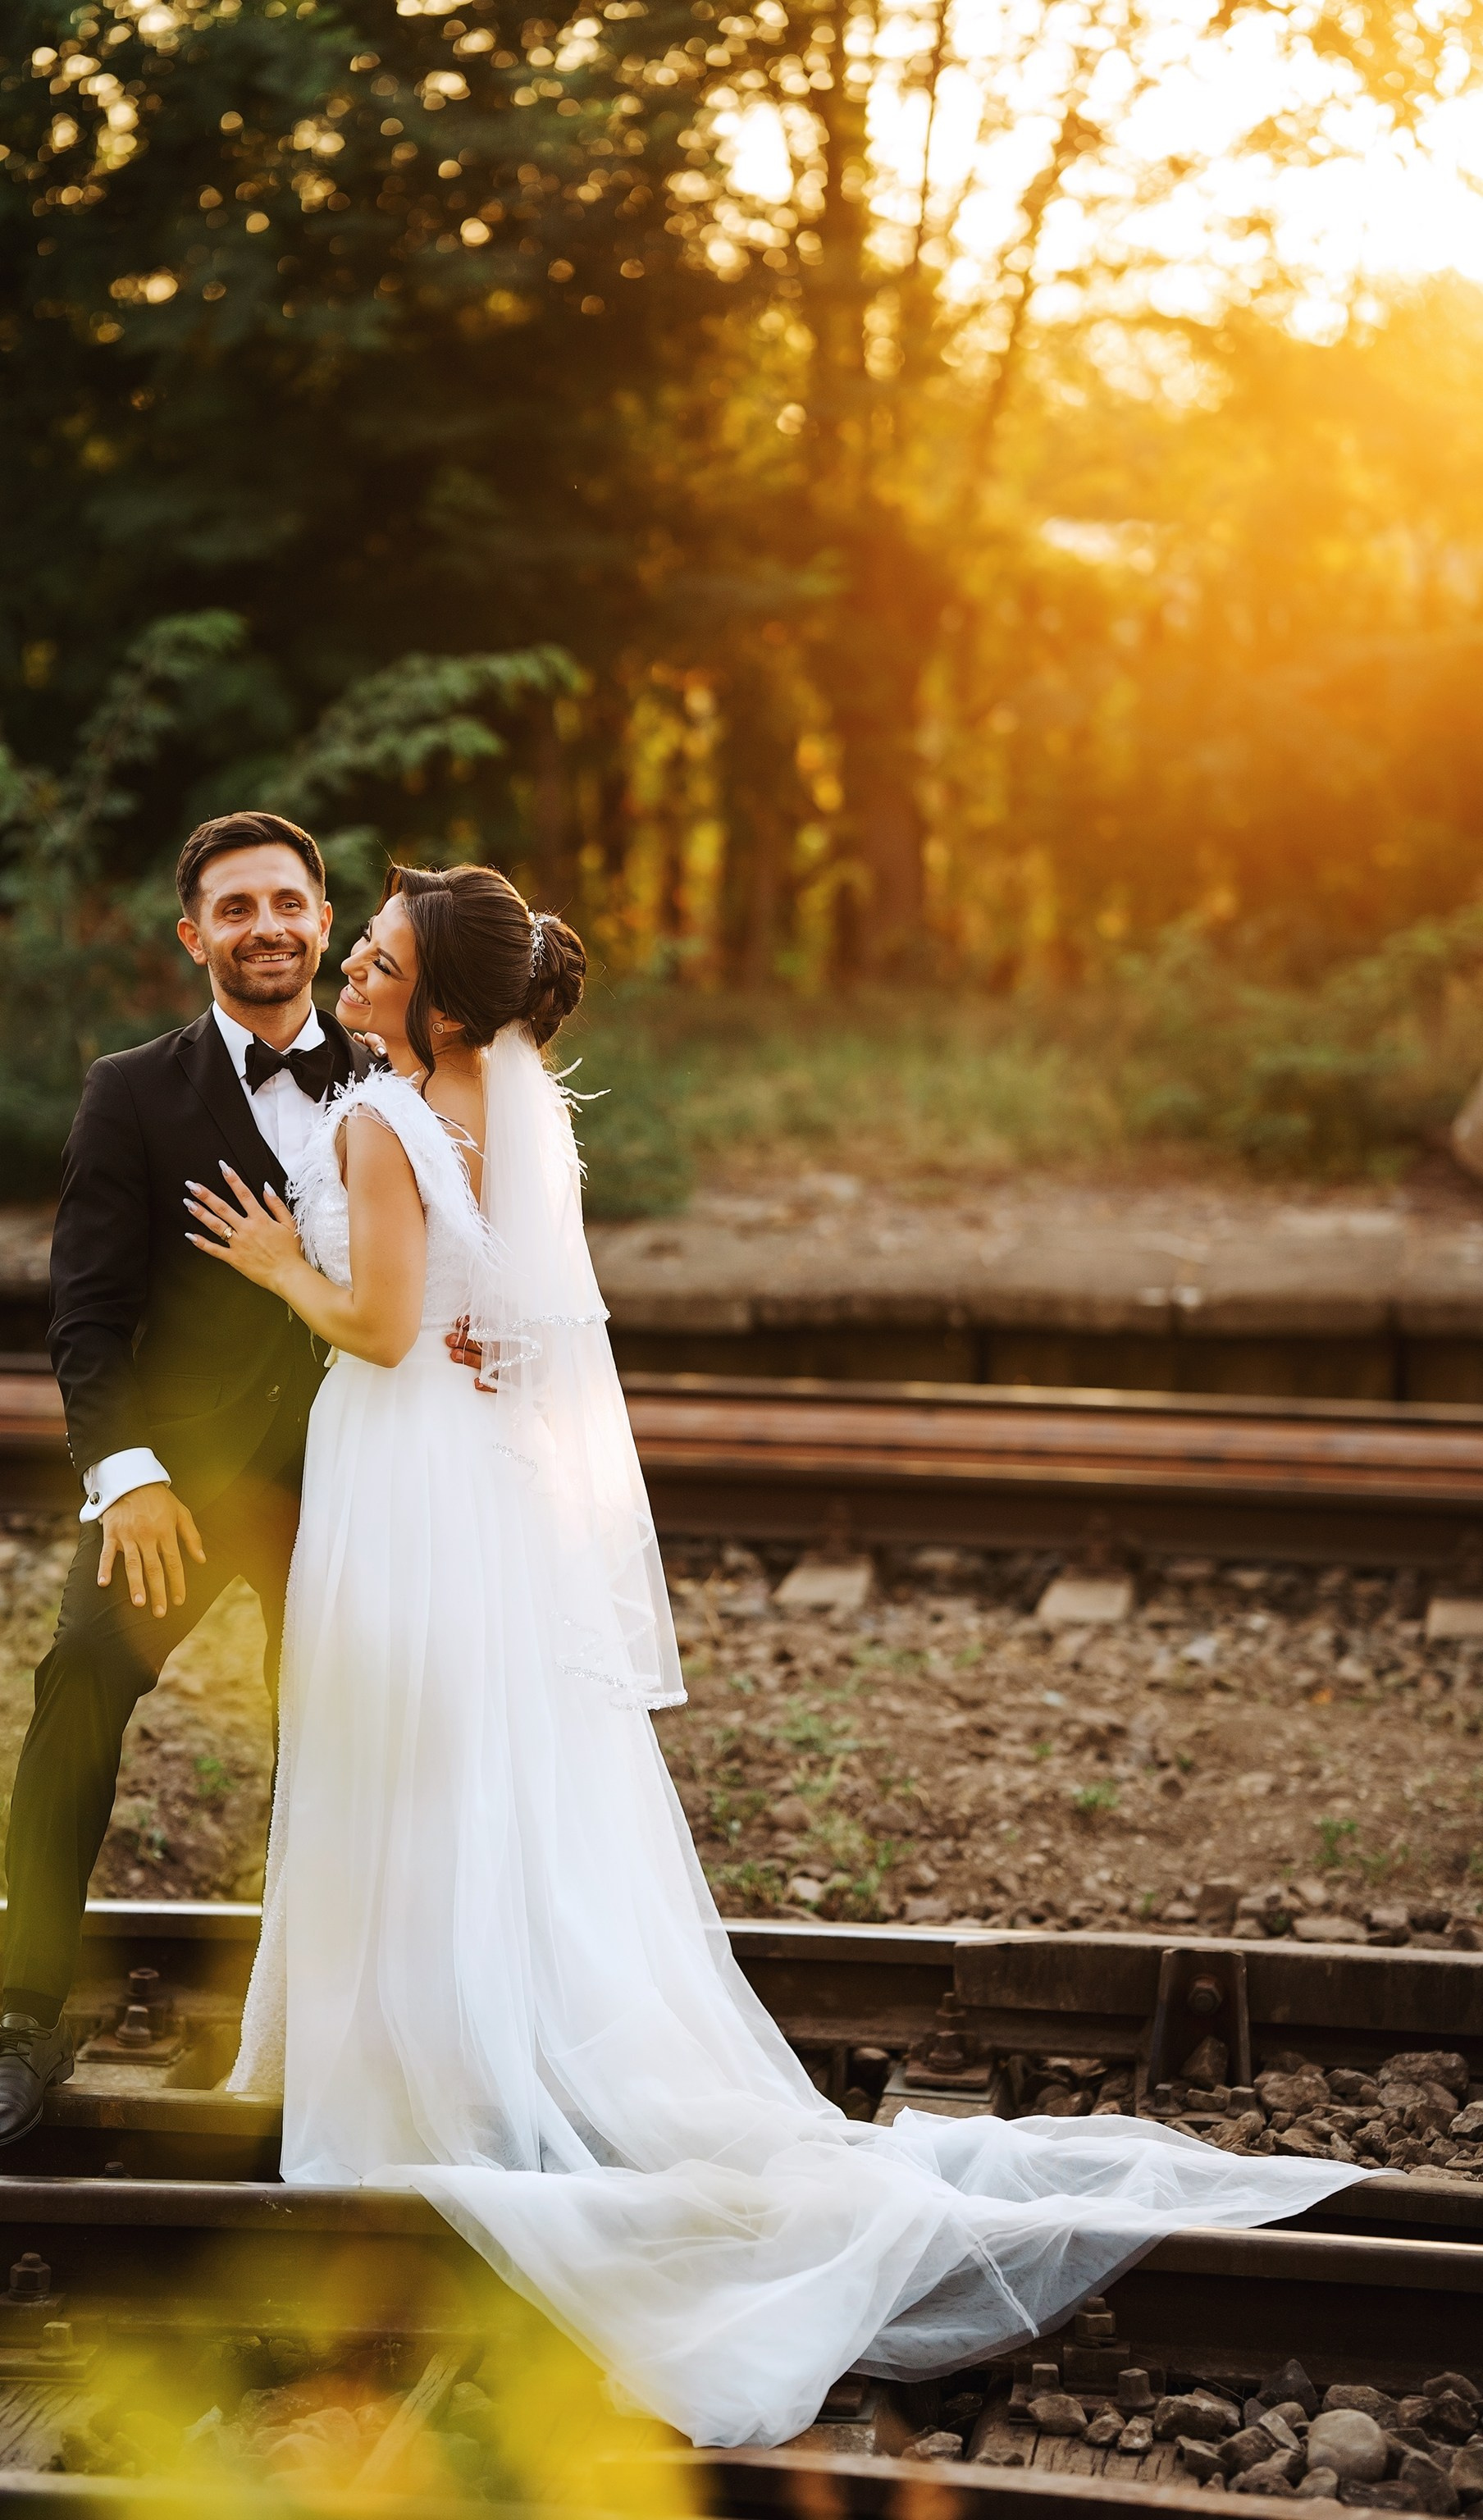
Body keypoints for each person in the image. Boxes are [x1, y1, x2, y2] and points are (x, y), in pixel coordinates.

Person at [194, 861, 1376, 2450]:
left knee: (402, 1756)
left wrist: (284, 1273)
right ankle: (496, 2030)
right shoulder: (504, 1098)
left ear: (437, 1001)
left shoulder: (379, 1118)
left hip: (404, 1476)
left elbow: (389, 1329)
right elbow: (515, 1326)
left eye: (379, 955)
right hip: (476, 1490)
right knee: (493, 1769)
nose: (351, 962)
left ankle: (423, 2062)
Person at [0, 813, 401, 2147]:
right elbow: (84, 1317)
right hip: (182, 1482)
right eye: (235, 908)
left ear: (324, 923)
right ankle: (25, 2025)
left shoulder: (398, 1078)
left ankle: (345, 2035)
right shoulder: (130, 1092)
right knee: (78, 1684)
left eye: (287, 902)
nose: (265, 927)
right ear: (193, 935)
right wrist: (128, 1476)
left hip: (354, 1476)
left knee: (346, 1738)